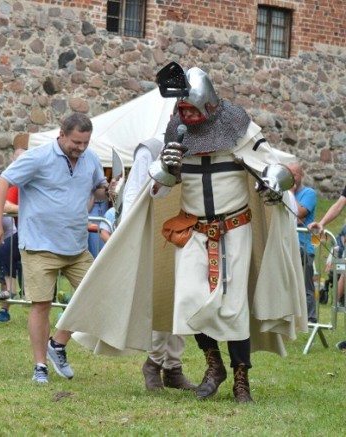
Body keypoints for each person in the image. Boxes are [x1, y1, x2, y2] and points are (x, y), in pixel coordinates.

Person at [57, 63, 306, 403]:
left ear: (209, 105)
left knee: (233, 308)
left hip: (234, 229)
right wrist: (167, 169)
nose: (185, 114)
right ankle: (213, 364)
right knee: (188, 301)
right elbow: (159, 191)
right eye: (181, 109)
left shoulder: (239, 128)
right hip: (192, 230)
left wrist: (276, 181)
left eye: (190, 108)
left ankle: (241, 380)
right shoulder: (176, 132)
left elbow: (285, 169)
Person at [0, 113, 108, 383]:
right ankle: (40, 366)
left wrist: (107, 190)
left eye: (86, 142)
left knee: (100, 293)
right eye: (76, 142)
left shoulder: (91, 159)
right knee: (41, 305)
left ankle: (58, 343)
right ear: (61, 134)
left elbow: (96, 191)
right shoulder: (38, 157)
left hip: (76, 246)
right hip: (40, 245)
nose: (81, 148)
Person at [124, 137, 197, 391]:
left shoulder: (205, 146)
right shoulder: (152, 148)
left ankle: (173, 367)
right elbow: (134, 192)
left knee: (184, 299)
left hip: (189, 229)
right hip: (157, 229)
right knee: (163, 298)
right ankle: (154, 363)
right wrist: (131, 231)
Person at [0, 148, 26, 323]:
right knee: (5, 250)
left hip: (45, 232)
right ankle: (10, 293)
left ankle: (65, 303)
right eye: (16, 163)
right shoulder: (14, 184)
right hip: (26, 231)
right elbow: (6, 205)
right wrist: (27, 211)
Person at [288, 163, 317, 323]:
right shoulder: (284, 194)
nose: (292, 178)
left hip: (304, 247)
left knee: (306, 286)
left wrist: (290, 194)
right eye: (289, 174)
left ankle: (311, 319)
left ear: (302, 175)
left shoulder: (309, 193)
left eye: (295, 174)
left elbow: (299, 213)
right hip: (288, 246)